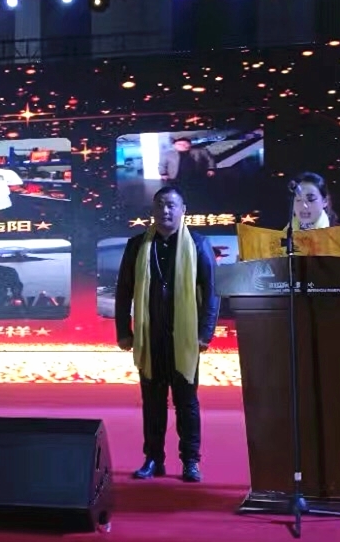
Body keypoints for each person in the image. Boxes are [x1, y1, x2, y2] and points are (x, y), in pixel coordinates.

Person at [114, 187, 220, 483]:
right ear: (153, 210)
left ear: (183, 209)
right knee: (152, 401)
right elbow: (123, 291)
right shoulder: (137, 245)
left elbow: (212, 292)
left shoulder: (198, 243)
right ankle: (153, 459)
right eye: (160, 205)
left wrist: (205, 333)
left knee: (187, 402)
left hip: (185, 338)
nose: (165, 210)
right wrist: (124, 331)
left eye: (172, 205)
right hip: (150, 335)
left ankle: (190, 461)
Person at [290, 172, 340, 259]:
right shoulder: (284, 234)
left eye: (311, 199)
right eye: (298, 199)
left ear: (325, 201)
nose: (304, 205)